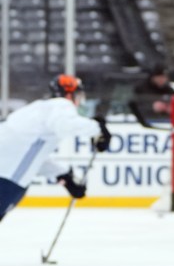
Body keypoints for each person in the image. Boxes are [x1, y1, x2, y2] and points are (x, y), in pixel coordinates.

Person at [0, 75, 111, 221]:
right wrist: (98, 128)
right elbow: (64, 126)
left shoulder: (35, 111)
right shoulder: (61, 105)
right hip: (7, 179)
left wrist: (63, 175)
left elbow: (28, 156)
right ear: (71, 95)